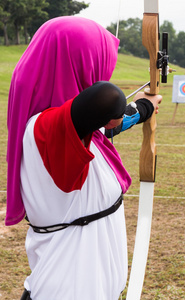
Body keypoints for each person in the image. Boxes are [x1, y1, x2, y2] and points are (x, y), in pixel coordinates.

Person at [6, 16, 162, 299]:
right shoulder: (44, 129)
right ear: (76, 63)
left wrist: (143, 109)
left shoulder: (73, 132)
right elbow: (108, 98)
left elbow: (105, 126)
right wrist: (116, 111)